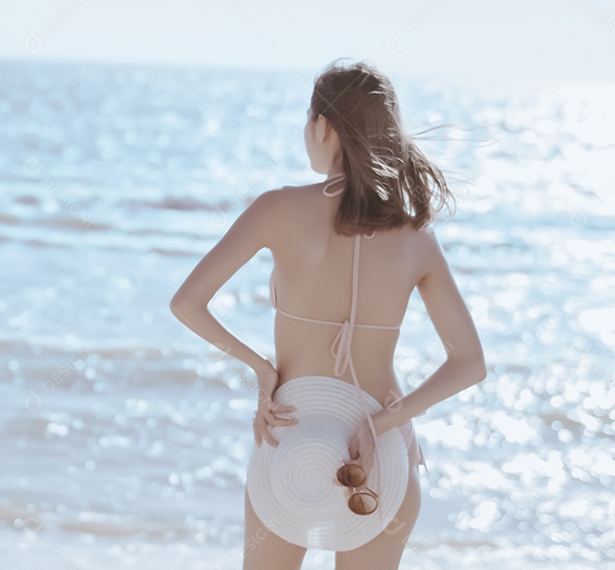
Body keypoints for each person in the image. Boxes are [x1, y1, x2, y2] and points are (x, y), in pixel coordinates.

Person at [168, 59, 487, 570]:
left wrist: (262, 371)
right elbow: (469, 363)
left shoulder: (276, 209)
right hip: (380, 451)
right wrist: (385, 421)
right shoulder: (416, 238)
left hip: (293, 441)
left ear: (323, 126)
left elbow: (186, 303)